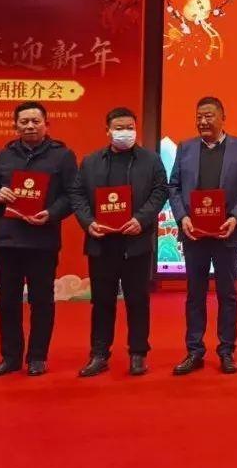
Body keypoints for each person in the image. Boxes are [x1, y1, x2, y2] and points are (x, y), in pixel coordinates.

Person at [0, 101, 78, 377]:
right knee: (7, 302)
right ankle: (10, 357)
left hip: (42, 240)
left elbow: (73, 195)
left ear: (47, 124)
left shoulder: (62, 156)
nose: (30, 126)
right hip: (7, 240)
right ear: (16, 125)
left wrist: (52, 213)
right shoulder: (4, 155)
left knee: (41, 301)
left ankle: (37, 357)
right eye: (24, 121)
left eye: (36, 121)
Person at [70, 107, 168, 377]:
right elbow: (77, 194)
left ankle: (138, 353)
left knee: (138, 301)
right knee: (102, 302)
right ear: (108, 131)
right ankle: (99, 354)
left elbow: (160, 191)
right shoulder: (91, 161)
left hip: (136, 242)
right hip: (102, 243)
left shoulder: (151, 160)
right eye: (119, 128)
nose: (125, 132)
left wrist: (141, 219)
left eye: (129, 128)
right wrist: (88, 222)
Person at [167, 96, 237, 375]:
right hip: (194, 233)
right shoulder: (185, 148)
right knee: (194, 294)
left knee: (227, 294)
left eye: (209, 116)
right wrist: (182, 217)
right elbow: (174, 187)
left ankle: (227, 350)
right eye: (199, 117)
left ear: (222, 117)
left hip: (226, 232)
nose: (203, 121)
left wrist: (235, 216)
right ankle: (194, 351)